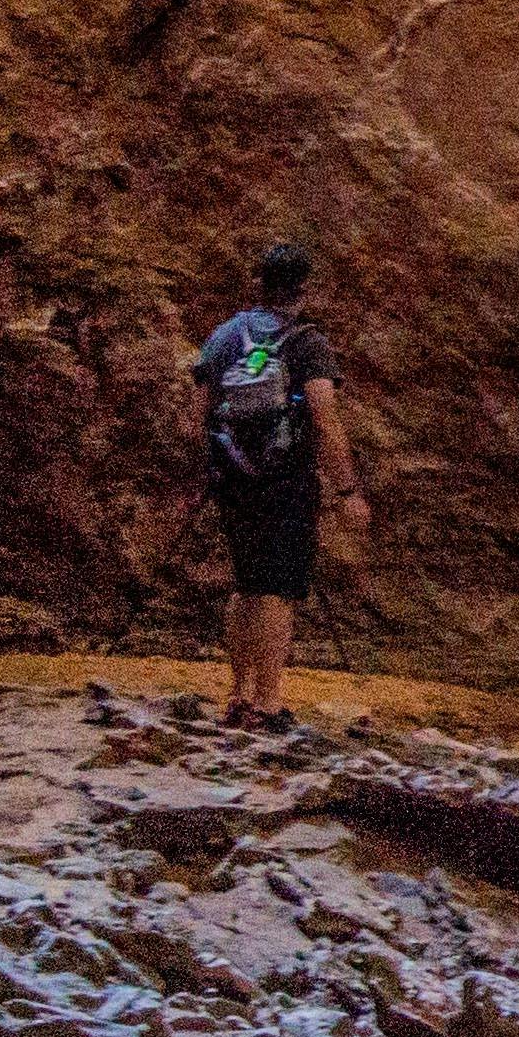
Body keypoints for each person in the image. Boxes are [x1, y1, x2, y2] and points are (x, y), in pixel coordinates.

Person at [190, 238, 368, 727]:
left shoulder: (225, 336)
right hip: (285, 482)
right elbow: (325, 420)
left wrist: (214, 467)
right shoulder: (306, 341)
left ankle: (240, 694)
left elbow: (198, 412)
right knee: (278, 587)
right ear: (304, 288)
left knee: (247, 583)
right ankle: (268, 703)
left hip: (233, 479)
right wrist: (348, 491)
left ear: (261, 284)